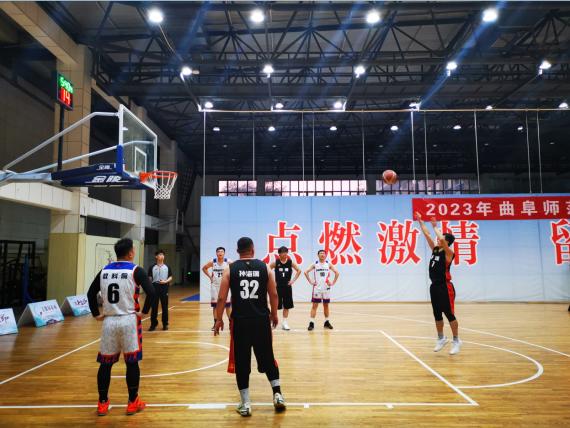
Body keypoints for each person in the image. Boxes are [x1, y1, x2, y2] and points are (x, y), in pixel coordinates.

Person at [214, 237, 285, 417]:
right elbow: (274, 294)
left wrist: (218, 319)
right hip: (261, 321)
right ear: (252, 249)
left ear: (238, 251)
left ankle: (246, 403)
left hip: (240, 322)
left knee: (242, 362)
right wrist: (274, 314)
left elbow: (221, 298)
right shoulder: (265, 267)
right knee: (268, 357)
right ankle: (277, 395)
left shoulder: (230, 269)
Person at [87, 238, 156, 416]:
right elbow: (152, 292)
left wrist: (96, 314)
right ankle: (132, 402)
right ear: (131, 253)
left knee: (105, 364)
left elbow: (90, 293)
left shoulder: (104, 270)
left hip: (109, 322)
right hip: (129, 320)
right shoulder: (136, 270)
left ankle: (102, 403)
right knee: (132, 363)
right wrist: (145, 312)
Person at [416, 212, 462, 355]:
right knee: (437, 314)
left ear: (447, 242)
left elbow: (440, 237)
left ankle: (456, 340)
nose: (438, 239)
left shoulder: (449, 253)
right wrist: (421, 221)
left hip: (445, 287)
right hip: (434, 287)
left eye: (442, 239)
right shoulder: (435, 249)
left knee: (449, 314)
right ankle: (441, 338)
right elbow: (427, 235)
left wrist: (435, 226)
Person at [304, 250, 340, 331]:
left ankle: (327, 322)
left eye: (323, 253)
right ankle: (311, 323)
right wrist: (311, 281)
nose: (322, 255)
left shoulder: (328, 264)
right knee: (314, 306)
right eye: (321, 253)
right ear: (318, 255)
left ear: (326, 255)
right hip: (317, 288)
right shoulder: (315, 264)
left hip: (326, 288)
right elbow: (305, 272)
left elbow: (337, 273)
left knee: (326, 305)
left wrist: (333, 283)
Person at [269, 246, 301, 331]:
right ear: (279, 254)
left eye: (286, 252)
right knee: (275, 305)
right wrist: (272, 281)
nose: (284, 254)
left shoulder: (290, 262)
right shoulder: (276, 262)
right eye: (283, 253)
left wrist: (292, 281)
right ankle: (272, 322)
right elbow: (267, 270)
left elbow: (299, 270)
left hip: (287, 287)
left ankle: (285, 322)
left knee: (287, 305)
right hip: (277, 287)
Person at [202, 247, 232, 330]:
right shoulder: (213, 261)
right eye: (218, 251)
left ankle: (231, 323)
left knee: (228, 306)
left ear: (224, 253)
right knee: (215, 306)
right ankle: (215, 323)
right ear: (216, 253)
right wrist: (210, 277)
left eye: (222, 251)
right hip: (215, 286)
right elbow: (204, 268)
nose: (220, 253)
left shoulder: (228, 262)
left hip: (225, 286)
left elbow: (235, 269)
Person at [148, 249, 173, 331]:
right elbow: (149, 278)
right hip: (154, 287)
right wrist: (150, 287)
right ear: (156, 256)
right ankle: (153, 324)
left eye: (163, 254)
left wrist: (165, 281)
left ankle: (165, 324)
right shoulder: (152, 267)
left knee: (164, 306)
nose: (162, 256)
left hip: (164, 287)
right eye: (160, 254)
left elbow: (170, 277)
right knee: (154, 307)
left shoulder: (167, 267)